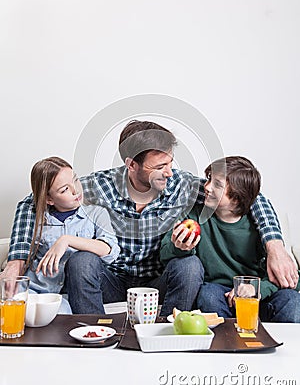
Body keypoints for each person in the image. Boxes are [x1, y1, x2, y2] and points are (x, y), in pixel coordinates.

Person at [1, 122, 298, 315]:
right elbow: (35, 200)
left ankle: (168, 335)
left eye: (171, 162)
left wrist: (275, 246)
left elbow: (251, 197)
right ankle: (91, 333)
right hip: (113, 280)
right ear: (132, 165)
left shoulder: (180, 184)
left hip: (160, 282)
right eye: (160, 166)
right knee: (82, 260)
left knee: (190, 266)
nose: (169, 171)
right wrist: (15, 260)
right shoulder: (101, 186)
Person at [160, 156, 300, 322]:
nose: (207, 187)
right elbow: (164, 254)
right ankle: (227, 343)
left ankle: (282, 345)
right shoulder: (194, 215)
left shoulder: (257, 228)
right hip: (218, 293)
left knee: (292, 301)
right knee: (208, 296)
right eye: (209, 179)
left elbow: (290, 279)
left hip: (256, 295)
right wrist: (180, 247)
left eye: (217, 185)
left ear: (238, 197)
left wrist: (255, 289)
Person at [22, 157, 120, 309]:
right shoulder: (37, 221)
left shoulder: (96, 213)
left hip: (76, 293)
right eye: (65, 189)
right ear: (49, 199)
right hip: (40, 291)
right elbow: (23, 257)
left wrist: (66, 240)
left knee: (83, 260)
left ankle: (90, 329)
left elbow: (109, 250)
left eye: (75, 180)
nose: (75, 190)